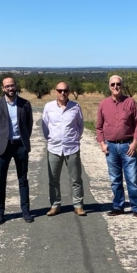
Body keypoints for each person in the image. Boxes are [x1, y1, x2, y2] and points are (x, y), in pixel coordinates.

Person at [96, 75, 137, 219]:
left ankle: (136, 208)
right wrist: (102, 144)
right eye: (113, 84)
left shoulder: (130, 102)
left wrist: (135, 142)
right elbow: (98, 127)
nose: (115, 87)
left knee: (132, 179)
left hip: (128, 146)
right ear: (109, 86)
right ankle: (118, 206)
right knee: (115, 179)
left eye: (118, 84)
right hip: (110, 147)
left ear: (122, 86)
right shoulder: (103, 104)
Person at [0, 76, 34, 224]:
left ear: (16, 86)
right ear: (3, 88)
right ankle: (0, 212)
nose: (10, 88)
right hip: (3, 146)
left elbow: (29, 125)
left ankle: (26, 211)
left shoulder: (25, 104)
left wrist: (24, 140)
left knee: (23, 179)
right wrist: (1, 140)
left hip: (20, 145)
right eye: (7, 86)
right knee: (1, 180)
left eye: (12, 85)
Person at [42, 82, 85, 217]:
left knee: (76, 178)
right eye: (60, 90)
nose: (62, 93)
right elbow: (45, 126)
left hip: (71, 148)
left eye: (65, 90)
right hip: (54, 148)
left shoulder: (75, 107)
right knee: (53, 179)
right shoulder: (48, 107)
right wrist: (51, 138)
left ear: (69, 91)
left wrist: (74, 139)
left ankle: (78, 205)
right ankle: (55, 205)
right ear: (56, 91)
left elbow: (80, 126)